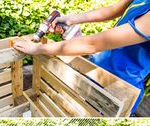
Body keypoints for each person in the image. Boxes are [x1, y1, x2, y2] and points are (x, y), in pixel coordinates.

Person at [13, 0, 150, 114]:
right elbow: (113, 10)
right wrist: (71, 19)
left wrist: (39, 48)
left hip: (119, 88)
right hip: (96, 70)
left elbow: (93, 44)